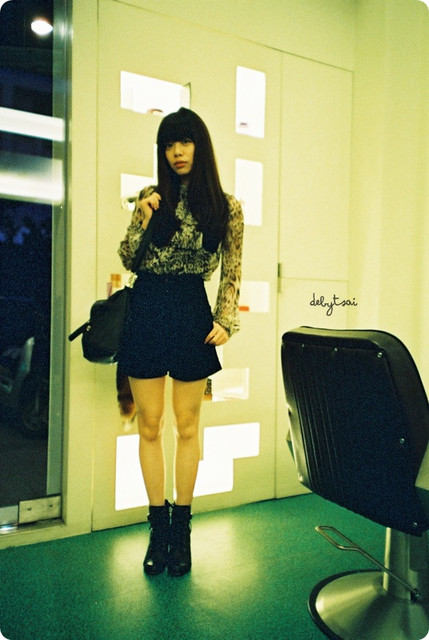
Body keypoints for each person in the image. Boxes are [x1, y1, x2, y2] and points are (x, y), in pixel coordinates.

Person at [117, 107, 244, 577]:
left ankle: (182, 530)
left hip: (191, 310)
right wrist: (142, 216)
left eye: (185, 141)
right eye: (169, 144)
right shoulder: (151, 198)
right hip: (147, 308)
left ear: (200, 145)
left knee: (187, 426)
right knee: (149, 425)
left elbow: (232, 269)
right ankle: (158, 529)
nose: (176, 152)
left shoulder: (227, 208)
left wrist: (226, 319)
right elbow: (128, 257)